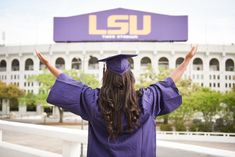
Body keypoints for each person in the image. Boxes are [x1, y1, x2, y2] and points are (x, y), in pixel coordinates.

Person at [35, 46, 197, 157]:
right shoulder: (148, 99)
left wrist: (49, 64)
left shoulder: (93, 101)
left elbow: (68, 83)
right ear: (130, 77)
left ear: (106, 76)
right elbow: (169, 81)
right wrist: (186, 61)